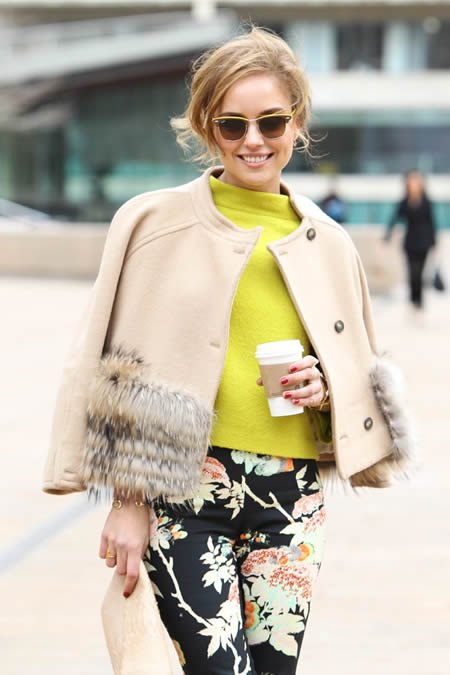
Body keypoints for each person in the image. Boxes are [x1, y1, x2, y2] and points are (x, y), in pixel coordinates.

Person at [42, 27, 415, 675]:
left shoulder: (329, 242)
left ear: (297, 123)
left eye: (271, 121)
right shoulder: (153, 224)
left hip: (291, 498)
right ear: (206, 128)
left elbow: (359, 374)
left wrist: (325, 390)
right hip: (185, 494)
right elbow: (117, 369)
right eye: (233, 124)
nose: (253, 140)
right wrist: (128, 503)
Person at [384, 169, 437, 311]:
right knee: (412, 272)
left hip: (424, 242)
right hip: (410, 241)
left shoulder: (426, 202)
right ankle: (413, 299)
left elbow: (432, 222)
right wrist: (387, 236)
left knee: (419, 272)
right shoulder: (405, 202)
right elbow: (394, 219)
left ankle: (419, 301)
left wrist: (434, 243)